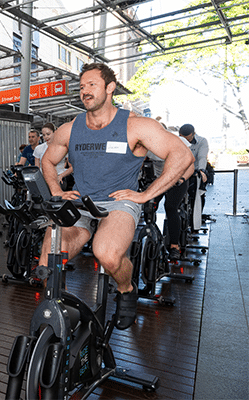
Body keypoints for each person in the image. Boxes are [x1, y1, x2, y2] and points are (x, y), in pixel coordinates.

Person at [40, 63, 194, 330]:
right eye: (82, 86)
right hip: (80, 203)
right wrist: (56, 190)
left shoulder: (134, 126)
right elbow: (47, 161)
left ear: (110, 88)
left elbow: (183, 156)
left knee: (108, 255)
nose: (85, 91)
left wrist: (146, 194)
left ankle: (126, 288)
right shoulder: (70, 128)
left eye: (92, 85)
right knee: (48, 262)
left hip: (118, 202)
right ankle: (61, 317)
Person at [147, 127, 195, 261]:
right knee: (149, 206)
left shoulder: (178, 142)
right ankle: (153, 236)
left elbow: (191, 165)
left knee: (171, 207)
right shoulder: (146, 145)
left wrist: (181, 179)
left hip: (178, 179)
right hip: (160, 180)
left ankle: (174, 246)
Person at [179, 123, 209, 216]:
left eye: (188, 139)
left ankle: (196, 218)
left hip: (196, 170)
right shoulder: (176, 140)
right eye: (182, 138)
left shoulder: (202, 141)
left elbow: (202, 157)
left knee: (198, 194)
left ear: (194, 134)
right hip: (181, 171)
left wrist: (201, 170)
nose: (185, 141)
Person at [33, 122, 73, 190]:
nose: (46, 137)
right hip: (44, 181)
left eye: (48, 134)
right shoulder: (38, 148)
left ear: (55, 132)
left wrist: (61, 176)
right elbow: (37, 168)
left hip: (59, 179)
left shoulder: (63, 148)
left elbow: (72, 167)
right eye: (44, 135)